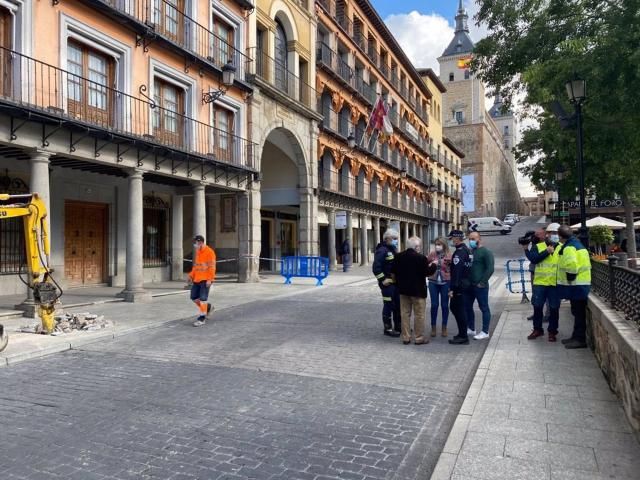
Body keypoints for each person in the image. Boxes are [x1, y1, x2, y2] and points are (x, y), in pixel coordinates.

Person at [391, 236, 437, 345]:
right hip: (418, 292)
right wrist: (434, 264)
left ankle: (406, 337)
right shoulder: (421, 258)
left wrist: (397, 284)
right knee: (419, 314)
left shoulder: (398, 256)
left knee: (405, 314)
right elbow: (427, 272)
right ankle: (418, 337)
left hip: (403, 291)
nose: (420, 248)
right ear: (416, 247)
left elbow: (393, 273)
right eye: (419, 246)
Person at [557, 225, 591, 349]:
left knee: (578, 314)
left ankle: (580, 339)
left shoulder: (569, 247)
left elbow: (572, 265)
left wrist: (569, 279)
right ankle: (575, 336)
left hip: (577, 286)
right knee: (577, 313)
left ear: (560, 236)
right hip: (581, 285)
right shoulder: (577, 244)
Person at [525, 223, 561, 342]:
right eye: (552, 233)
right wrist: (546, 251)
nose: (554, 235)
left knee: (554, 308)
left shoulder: (562, 247)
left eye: (556, 233)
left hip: (555, 284)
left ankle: (552, 332)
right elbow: (533, 259)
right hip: (540, 283)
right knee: (537, 307)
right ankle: (537, 329)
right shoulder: (538, 246)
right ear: (547, 234)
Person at [465, 232, 494, 340]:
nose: (471, 241)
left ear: (479, 239)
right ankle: (471, 328)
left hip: (480, 286)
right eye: (469, 239)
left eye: (473, 238)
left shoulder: (486, 252)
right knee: (467, 307)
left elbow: (490, 268)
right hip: (470, 285)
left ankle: (485, 331)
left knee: (484, 308)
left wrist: (482, 282)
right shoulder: (471, 251)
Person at [372, 228, 401, 337]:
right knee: (388, 305)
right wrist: (383, 280)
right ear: (387, 238)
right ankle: (387, 329)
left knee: (397, 305)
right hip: (387, 284)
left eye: (397, 239)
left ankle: (399, 326)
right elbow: (376, 268)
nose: (396, 241)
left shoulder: (392, 249)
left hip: (395, 283)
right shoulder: (382, 250)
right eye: (395, 239)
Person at [447, 230, 473, 345]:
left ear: (457, 238)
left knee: (458, 309)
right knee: (457, 308)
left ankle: (463, 336)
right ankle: (462, 333)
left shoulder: (459, 252)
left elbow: (457, 272)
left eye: (452, 238)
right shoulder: (467, 250)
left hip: (459, 285)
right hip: (466, 283)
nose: (451, 240)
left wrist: (452, 289)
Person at [427, 237, 452, 337]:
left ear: (444, 245)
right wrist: (431, 264)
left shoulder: (450, 255)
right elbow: (426, 265)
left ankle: (444, 327)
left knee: (445, 306)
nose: (437, 246)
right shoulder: (432, 254)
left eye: (439, 244)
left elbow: (452, 270)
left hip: (445, 282)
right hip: (433, 282)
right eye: (436, 244)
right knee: (434, 305)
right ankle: (433, 327)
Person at [189, 235, 216, 327]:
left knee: (203, 299)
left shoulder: (209, 252)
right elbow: (196, 266)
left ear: (200, 242)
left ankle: (202, 318)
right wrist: (191, 275)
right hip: (197, 278)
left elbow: (212, 267)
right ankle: (208, 308)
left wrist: (209, 279)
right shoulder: (198, 252)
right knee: (193, 297)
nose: (195, 244)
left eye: (196, 243)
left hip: (205, 279)